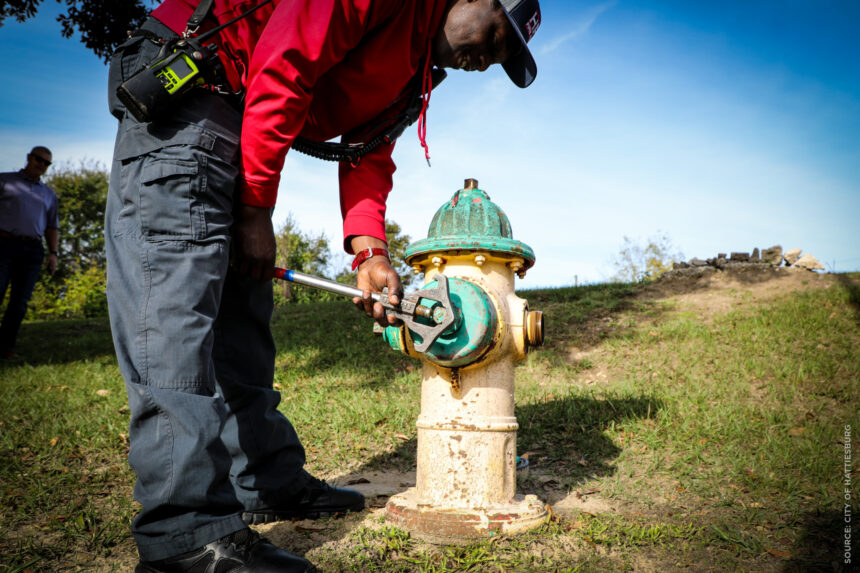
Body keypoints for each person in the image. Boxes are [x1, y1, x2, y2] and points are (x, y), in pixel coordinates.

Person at [105, 0, 541, 571]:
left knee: (242, 313)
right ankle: (185, 537)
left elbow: (367, 153)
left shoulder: (416, 71)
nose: (492, 58)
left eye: (506, 56)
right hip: (193, 91)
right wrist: (256, 207)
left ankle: (265, 480)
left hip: (238, 118)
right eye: (500, 34)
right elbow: (286, 58)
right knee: (174, 316)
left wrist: (370, 252)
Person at [0, 146, 59, 359]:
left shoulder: (49, 194)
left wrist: (53, 253)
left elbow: (52, 226)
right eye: (38, 159)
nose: (41, 165)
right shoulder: (5, 181)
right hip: (4, 244)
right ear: (29, 158)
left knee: (19, 302)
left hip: (33, 249)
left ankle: (5, 348)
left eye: (46, 163)